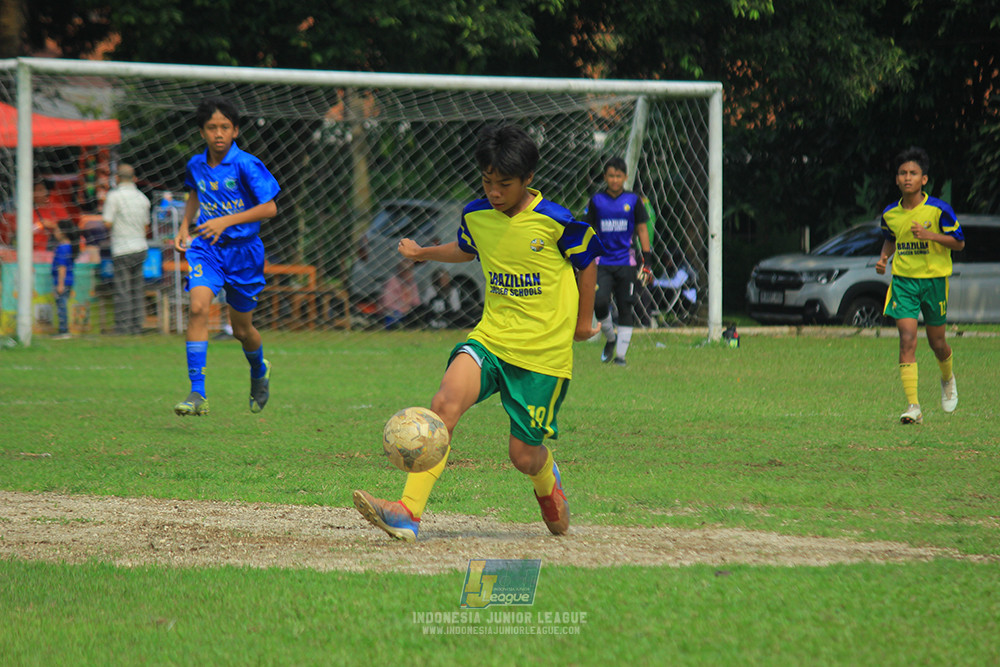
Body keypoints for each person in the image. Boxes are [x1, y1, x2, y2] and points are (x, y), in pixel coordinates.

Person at [352, 124, 604, 541]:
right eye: (487, 182)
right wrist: (423, 253)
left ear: (528, 179)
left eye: (504, 184)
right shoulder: (476, 215)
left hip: (542, 355)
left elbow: (588, 259)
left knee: (522, 456)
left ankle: (546, 478)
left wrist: (581, 323)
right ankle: (407, 512)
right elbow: (467, 248)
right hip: (491, 339)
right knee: (443, 405)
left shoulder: (554, 221)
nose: (494, 192)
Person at [172, 97, 281, 417]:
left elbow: (270, 208)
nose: (218, 133)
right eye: (211, 127)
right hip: (206, 248)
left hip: (244, 253)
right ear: (202, 132)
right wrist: (184, 226)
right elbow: (194, 193)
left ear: (235, 131)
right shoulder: (196, 164)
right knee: (197, 308)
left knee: (242, 330)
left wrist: (225, 221)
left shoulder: (246, 164)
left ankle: (259, 368)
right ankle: (197, 392)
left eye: (224, 127)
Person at [875, 146, 964, 425]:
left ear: (924, 179)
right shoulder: (890, 213)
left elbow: (959, 243)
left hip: (934, 281)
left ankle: (947, 378)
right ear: (896, 179)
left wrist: (929, 235)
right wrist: (884, 257)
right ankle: (913, 406)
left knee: (937, 343)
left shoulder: (939, 210)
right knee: (907, 338)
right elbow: (891, 238)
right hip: (904, 282)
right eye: (902, 173)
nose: (907, 177)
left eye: (913, 173)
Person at [583, 157, 652, 366]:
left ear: (625, 177)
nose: (614, 180)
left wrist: (647, 261)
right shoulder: (596, 200)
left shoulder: (633, 200)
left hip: (627, 262)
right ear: (605, 177)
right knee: (599, 302)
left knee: (625, 307)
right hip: (602, 262)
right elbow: (587, 230)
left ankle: (620, 356)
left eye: (618, 176)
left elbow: (642, 230)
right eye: (611, 176)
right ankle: (610, 338)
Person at [103, 163, 152, 335]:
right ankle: (137, 325)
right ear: (134, 178)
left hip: (122, 248)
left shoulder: (114, 196)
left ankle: (123, 327)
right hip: (140, 247)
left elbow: (107, 222)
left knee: (122, 289)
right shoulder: (142, 198)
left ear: (117, 178)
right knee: (137, 288)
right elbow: (146, 225)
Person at [50, 218, 80, 339]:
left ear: (63, 232)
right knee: (62, 305)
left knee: (61, 306)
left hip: (63, 281)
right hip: (68, 280)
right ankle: (63, 329)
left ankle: (64, 331)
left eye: (56, 230)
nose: (54, 232)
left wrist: (60, 284)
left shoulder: (63, 248)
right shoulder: (69, 246)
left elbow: (62, 267)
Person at [379, 259, 421, 329]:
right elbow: (387, 303)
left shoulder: (412, 283)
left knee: (418, 312)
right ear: (400, 270)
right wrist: (401, 308)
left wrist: (409, 294)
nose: (408, 273)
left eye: (410, 270)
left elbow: (416, 302)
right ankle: (395, 326)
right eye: (405, 270)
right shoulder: (393, 281)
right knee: (394, 314)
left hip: (408, 311)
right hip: (394, 310)